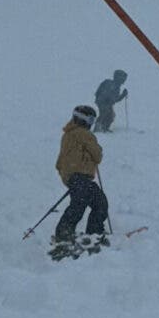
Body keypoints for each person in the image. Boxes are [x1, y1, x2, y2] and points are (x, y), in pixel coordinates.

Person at [52, 102, 109, 257]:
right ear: (82, 119)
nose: (91, 124)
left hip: (73, 176)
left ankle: (74, 234)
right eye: (90, 120)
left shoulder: (68, 133)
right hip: (80, 176)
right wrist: (97, 150)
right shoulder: (83, 134)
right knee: (92, 204)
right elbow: (97, 155)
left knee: (90, 202)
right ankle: (73, 234)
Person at [92, 69, 128, 133]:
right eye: (123, 79)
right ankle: (98, 128)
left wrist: (123, 95)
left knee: (110, 116)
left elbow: (115, 99)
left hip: (105, 102)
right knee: (105, 113)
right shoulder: (112, 85)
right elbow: (114, 98)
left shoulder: (114, 86)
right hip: (103, 102)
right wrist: (122, 95)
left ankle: (104, 127)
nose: (123, 81)